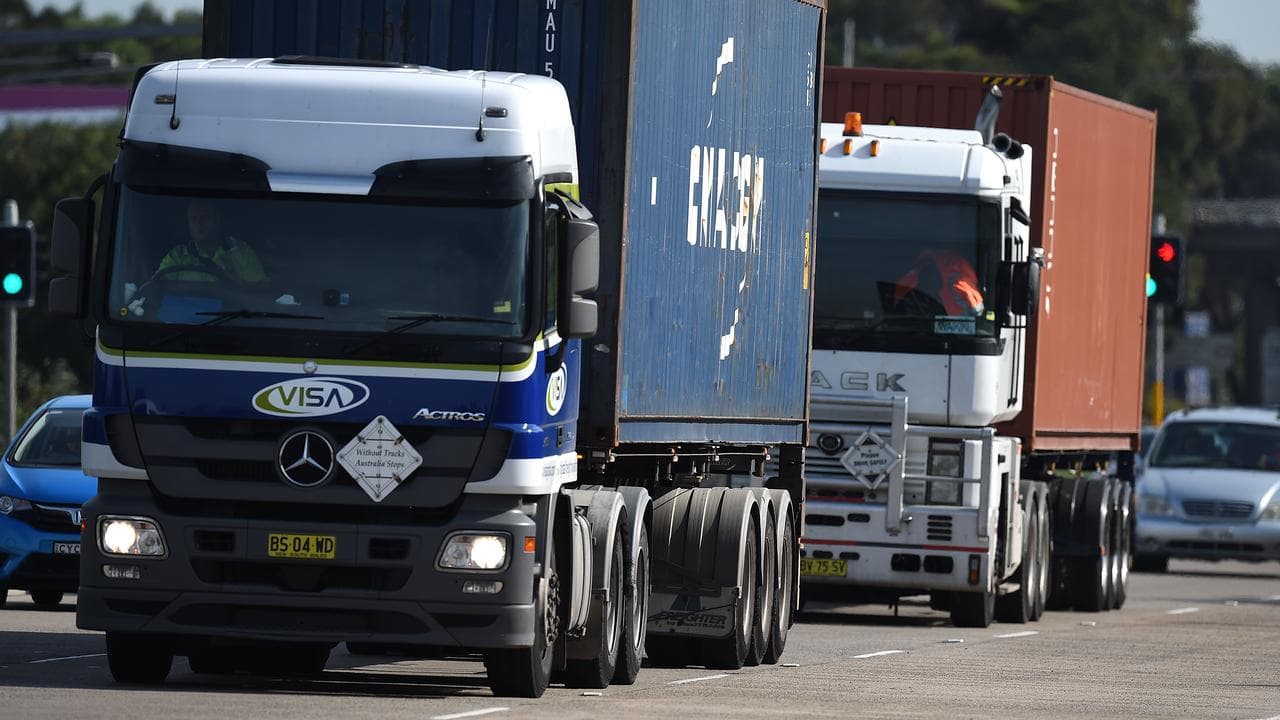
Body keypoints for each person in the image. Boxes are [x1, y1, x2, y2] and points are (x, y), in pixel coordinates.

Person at [153, 200, 267, 284]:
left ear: (216, 220)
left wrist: (235, 280)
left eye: (205, 218)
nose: (199, 224)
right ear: (188, 224)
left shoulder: (240, 251)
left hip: (231, 315)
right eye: (193, 219)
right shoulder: (177, 256)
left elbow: (260, 291)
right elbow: (157, 288)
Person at [893, 250, 985, 316]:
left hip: (962, 332)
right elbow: (898, 296)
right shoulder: (916, 274)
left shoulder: (957, 281)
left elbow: (977, 309)